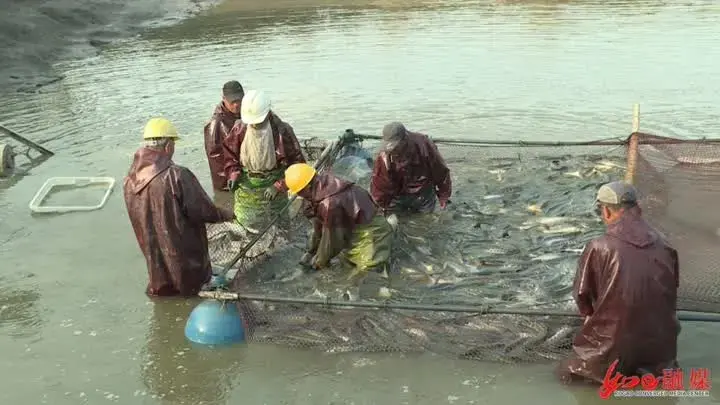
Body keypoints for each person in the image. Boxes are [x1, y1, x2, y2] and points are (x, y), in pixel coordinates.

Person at [556, 181, 680, 385]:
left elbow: (582, 296)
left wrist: (589, 317)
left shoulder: (599, 246)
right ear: (637, 208)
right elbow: (672, 288)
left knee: (569, 376)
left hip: (611, 350)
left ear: (606, 211)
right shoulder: (665, 243)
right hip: (661, 354)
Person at [124, 117, 235, 297]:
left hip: (156, 268)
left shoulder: (129, 181)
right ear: (168, 146)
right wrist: (227, 214)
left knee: (166, 287)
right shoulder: (177, 176)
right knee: (191, 288)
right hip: (187, 266)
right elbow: (205, 211)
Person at [285, 163, 396, 276]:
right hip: (354, 226)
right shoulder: (322, 185)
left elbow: (333, 239)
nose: (299, 195)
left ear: (307, 186)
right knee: (347, 264)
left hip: (372, 232)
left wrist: (319, 261)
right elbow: (320, 227)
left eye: (299, 192)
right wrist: (312, 251)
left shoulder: (329, 203)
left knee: (367, 273)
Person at [222, 90, 305, 230]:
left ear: (267, 113)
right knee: (246, 226)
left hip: (274, 187)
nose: (254, 125)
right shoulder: (239, 129)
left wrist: (279, 185)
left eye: (258, 121)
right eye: (251, 122)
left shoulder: (282, 131)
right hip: (247, 188)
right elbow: (230, 157)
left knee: (280, 225)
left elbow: (298, 167)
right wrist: (233, 174)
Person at [370, 122, 452, 214]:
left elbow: (440, 170)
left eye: (395, 147)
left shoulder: (424, 145)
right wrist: (382, 208)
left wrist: (443, 195)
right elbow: (380, 186)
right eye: (389, 148)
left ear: (404, 140)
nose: (392, 151)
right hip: (397, 195)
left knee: (425, 221)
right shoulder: (384, 157)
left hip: (423, 193)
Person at [203, 80, 244, 192]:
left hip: (241, 174)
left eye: (239, 100)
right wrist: (231, 180)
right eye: (232, 101)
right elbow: (216, 160)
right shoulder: (215, 124)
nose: (236, 105)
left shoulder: (245, 113)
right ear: (224, 98)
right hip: (229, 183)